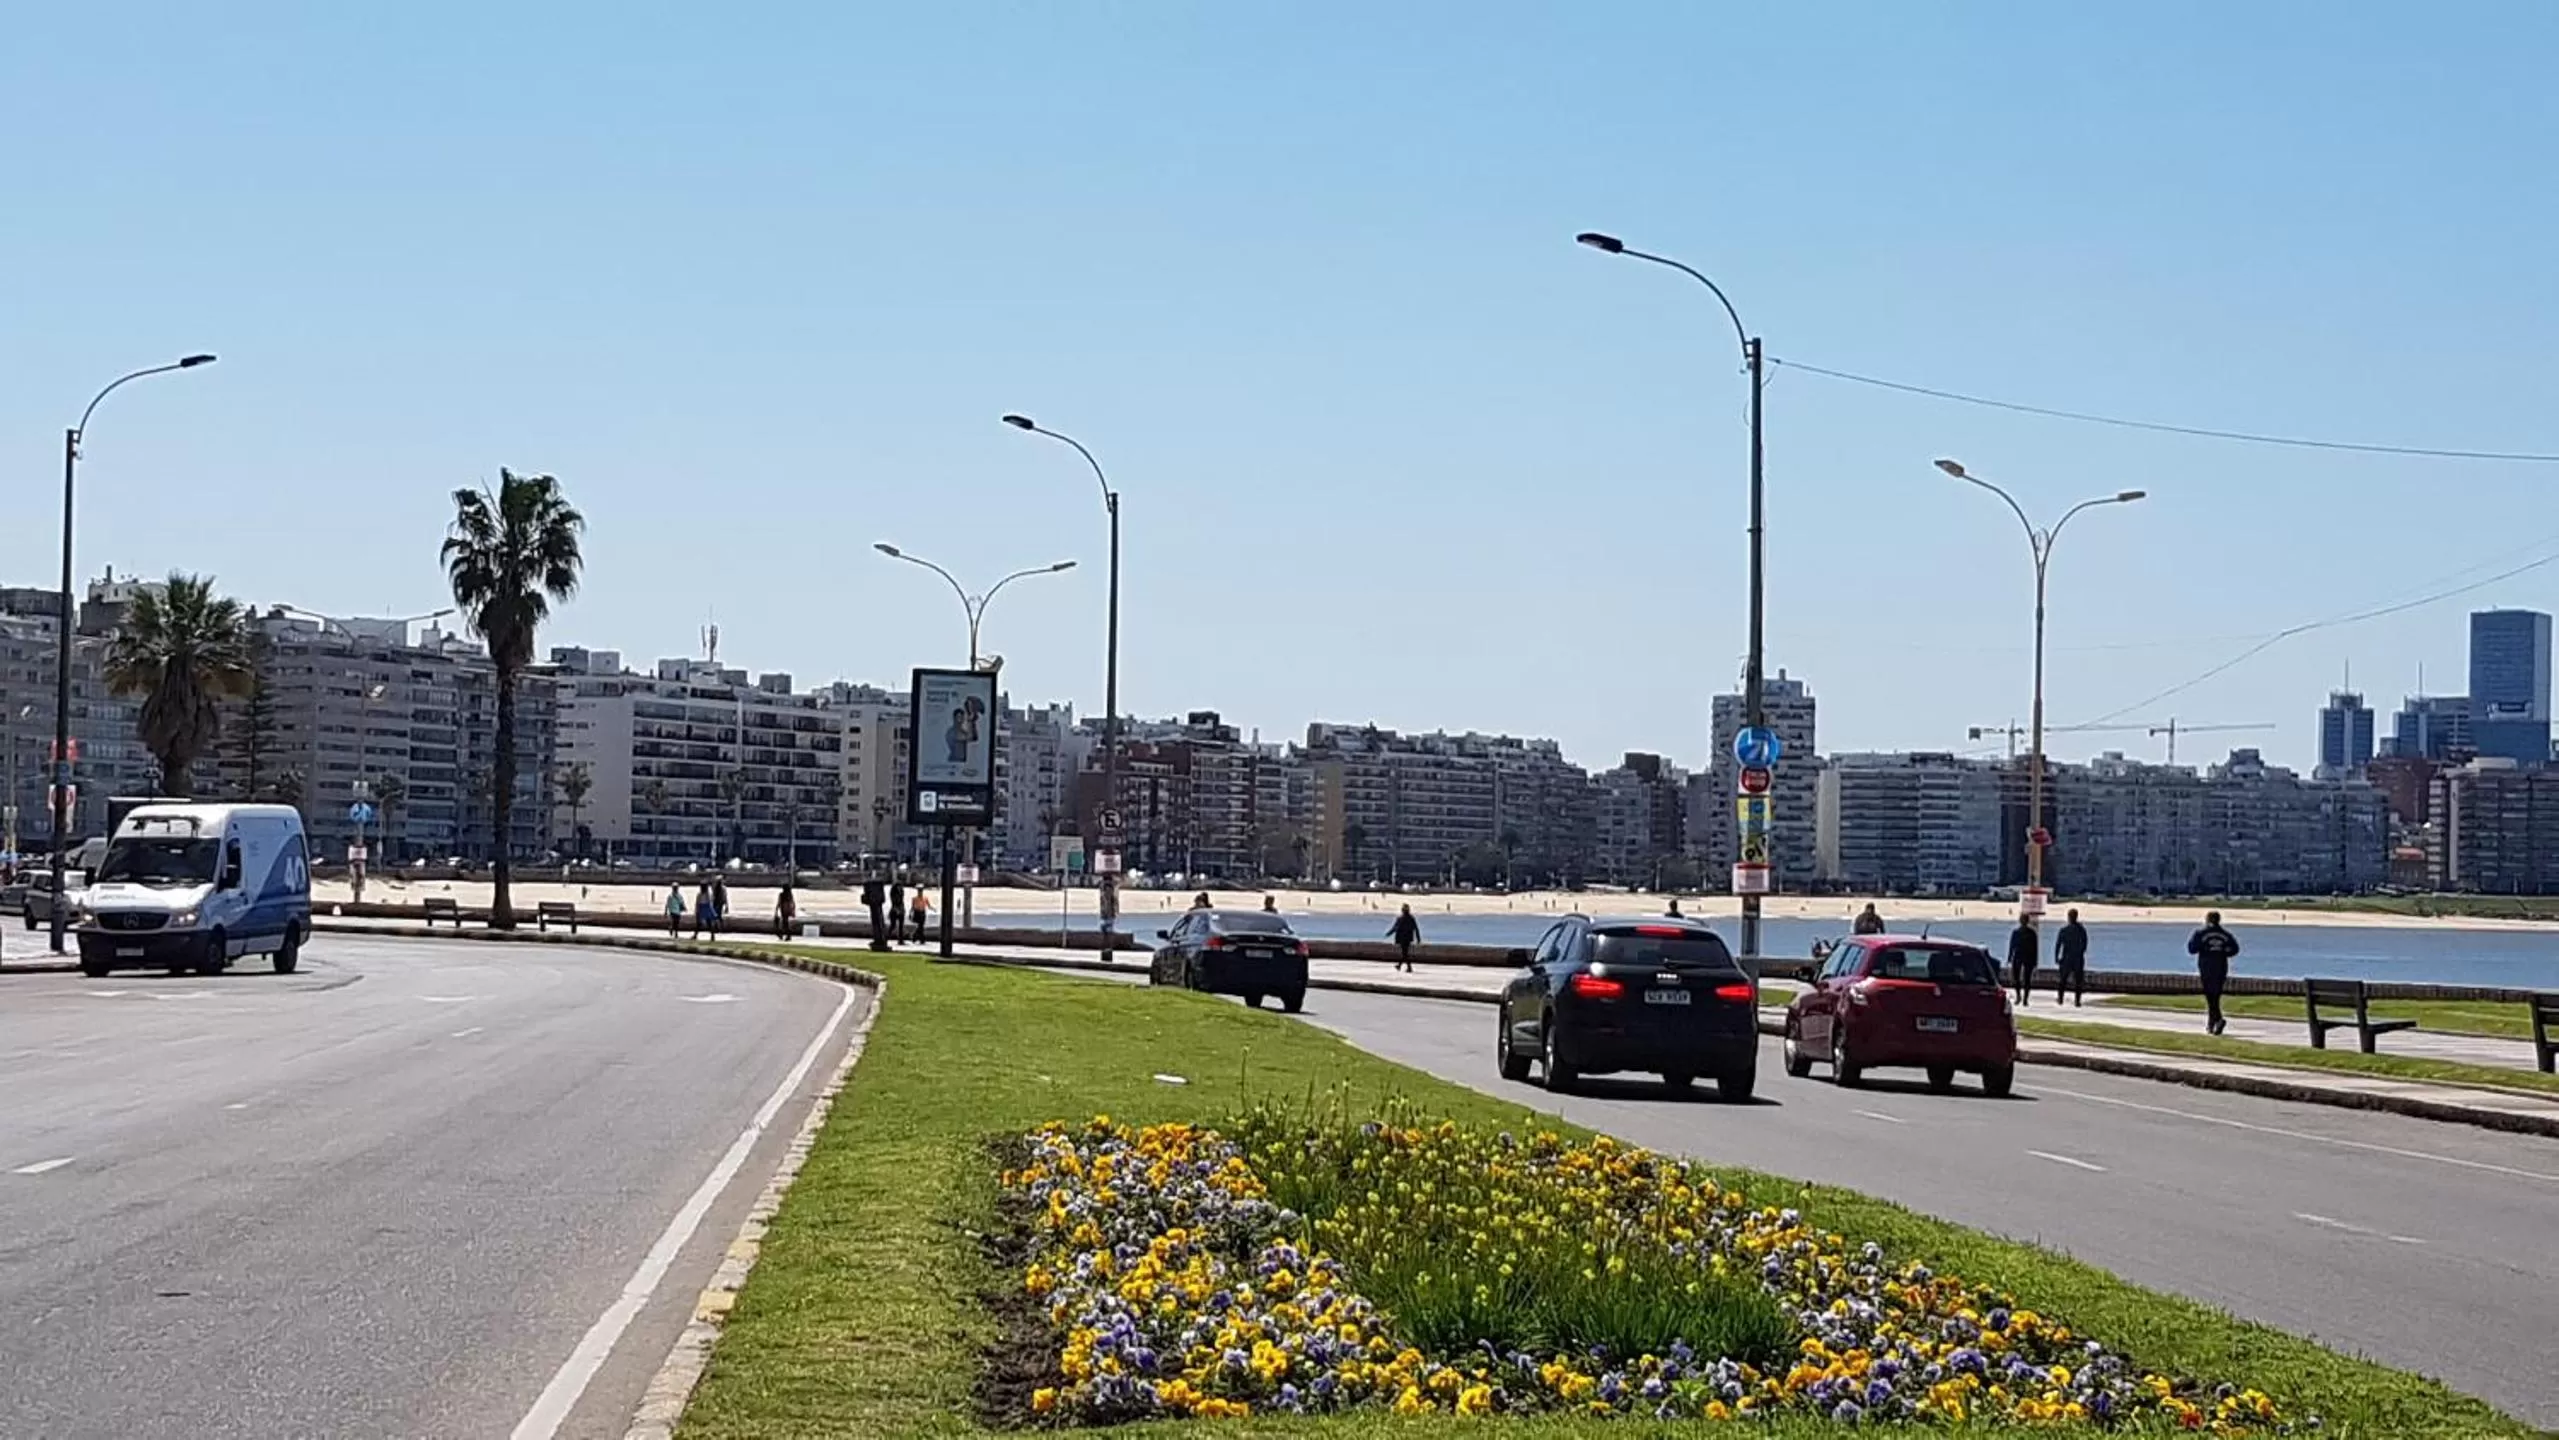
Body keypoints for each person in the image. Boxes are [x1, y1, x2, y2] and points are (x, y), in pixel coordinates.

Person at [2187, 910, 2242, 1035]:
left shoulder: (2200, 933)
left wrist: (2205, 949)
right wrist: (2223, 951)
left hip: (2206, 967)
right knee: (2215, 995)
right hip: (2221, 966)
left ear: (2207, 919)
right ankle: (2212, 1023)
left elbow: (2192, 949)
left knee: (2210, 995)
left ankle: (2217, 1020)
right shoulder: (2225, 934)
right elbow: (2235, 949)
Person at [2053, 908, 2090, 1007]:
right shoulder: (2081, 930)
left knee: (2063, 979)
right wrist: (2081, 952)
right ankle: (2077, 1001)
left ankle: (2060, 998)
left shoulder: (2064, 930)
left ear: (2068, 917)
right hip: (2077, 958)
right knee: (2078, 981)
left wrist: (2056, 957)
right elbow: (2085, 943)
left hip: (2067, 957)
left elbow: (2058, 945)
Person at [2005, 914, 2039, 1007]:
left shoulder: (2021, 932)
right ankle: (2021, 997)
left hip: (2023, 956)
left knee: (2024, 979)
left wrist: (2009, 957)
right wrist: (2009, 957)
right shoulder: (2028, 933)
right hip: (2022, 956)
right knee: (2020, 978)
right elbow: (2012, 946)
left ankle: (2023, 998)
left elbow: (2034, 948)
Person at [861, 872, 889, 951]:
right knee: (878, 922)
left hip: (874, 903)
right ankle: (880, 939)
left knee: (877, 922)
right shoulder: (877, 887)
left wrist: (867, 898)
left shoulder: (871, 886)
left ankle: (880, 939)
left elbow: (866, 897)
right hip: (876, 903)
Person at [1389, 904, 1421, 973]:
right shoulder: (1411, 918)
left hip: (1402, 938)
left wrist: (1389, 933)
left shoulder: (1400, 918)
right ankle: (1401, 966)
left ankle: (1406, 967)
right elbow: (1416, 928)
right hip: (1408, 938)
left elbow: (1395, 928)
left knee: (1404, 953)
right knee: (1405, 953)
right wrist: (1418, 938)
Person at [889, 874, 908, 942]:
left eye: (901, 886)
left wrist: (903, 909)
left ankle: (900, 940)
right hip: (895, 910)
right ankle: (886, 937)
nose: (900, 887)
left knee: (901, 926)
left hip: (900, 909)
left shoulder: (901, 892)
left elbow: (902, 901)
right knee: (893, 925)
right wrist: (897, 910)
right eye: (899, 886)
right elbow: (893, 902)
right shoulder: (893, 894)